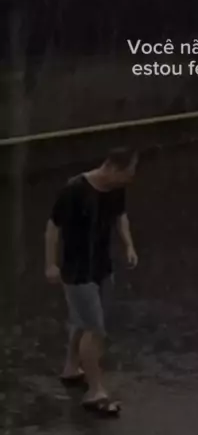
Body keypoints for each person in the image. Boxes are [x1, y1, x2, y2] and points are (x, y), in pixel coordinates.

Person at [45, 147, 138, 417]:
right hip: (77, 271)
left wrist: (129, 245)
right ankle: (95, 391)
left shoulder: (116, 188)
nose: (131, 178)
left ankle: (71, 368)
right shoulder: (74, 190)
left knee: (84, 322)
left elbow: (120, 216)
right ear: (113, 168)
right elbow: (53, 228)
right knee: (95, 330)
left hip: (101, 267)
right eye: (128, 172)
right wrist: (50, 264)